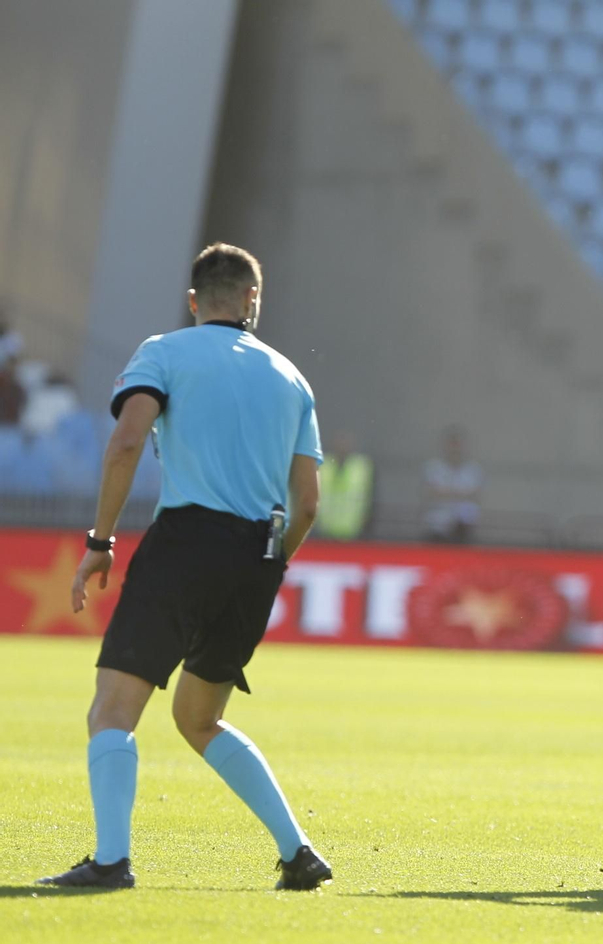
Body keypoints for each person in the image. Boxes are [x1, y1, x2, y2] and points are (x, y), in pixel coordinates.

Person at [38, 243, 332, 891]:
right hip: (258, 555)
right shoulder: (290, 377)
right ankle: (299, 852)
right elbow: (309, 501)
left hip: (186, 541)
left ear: (194, 300)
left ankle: (112, 860)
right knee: (199, 717)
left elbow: (125, 442)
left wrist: (101, 539)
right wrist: (271, 565)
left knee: (111, 710)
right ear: (254, 300)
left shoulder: (164, 352)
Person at [423, 427, 482, 542]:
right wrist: (461, 493)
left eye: (458, 444)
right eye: (452, 444)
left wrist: (445, 492)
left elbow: (475, 494)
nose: (455, 448)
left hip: (464, 530)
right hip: (437, 529)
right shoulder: (433, 468)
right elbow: (430, 492)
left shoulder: (473, 470)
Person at [318, 430, 374, 540]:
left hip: (354, 532)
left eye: (345, 442)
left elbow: (372, 498)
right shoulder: (323, 465)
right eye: (340, 442)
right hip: (324, 532)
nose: (342, 446)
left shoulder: (361, 467)